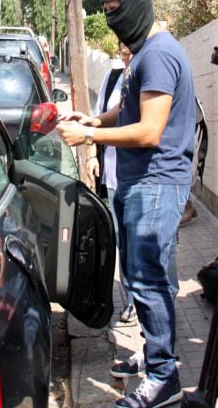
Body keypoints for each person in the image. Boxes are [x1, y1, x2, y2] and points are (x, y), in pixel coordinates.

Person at [56, 0, 196, 408]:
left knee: (150, 280)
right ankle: (156, 352)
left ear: (136, 7)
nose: (115, 27)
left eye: (118, 14)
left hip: (156, 184)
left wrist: (89, 139)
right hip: (140, 183)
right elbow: (131, 108)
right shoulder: (145, 53)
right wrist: (96, 120)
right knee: (142, 277)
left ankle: (163, 376)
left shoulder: (158, 55)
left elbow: (151, 129)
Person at [91, 43, 136, 324]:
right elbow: (99, 120)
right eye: (122, 50)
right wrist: (90, 153)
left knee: (139, 243)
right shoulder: (111, 79)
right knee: (123, 243)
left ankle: (146, 303)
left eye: (130, 50)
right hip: (113, 174)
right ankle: (131, 300)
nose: (126, 54)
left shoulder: (149, 75)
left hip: (140, 177)